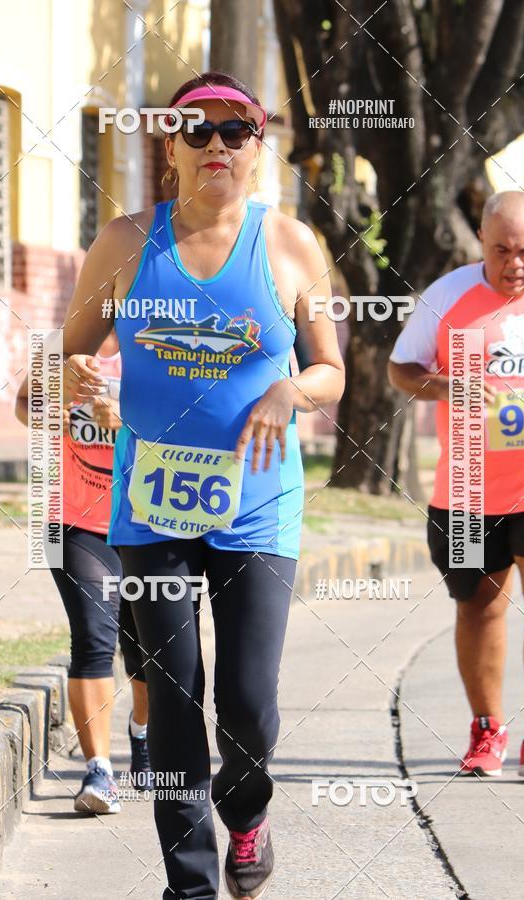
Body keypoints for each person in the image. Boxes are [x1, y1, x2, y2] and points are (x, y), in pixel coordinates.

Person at [59, 71, 344, 899]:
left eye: (235, 129)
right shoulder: (123, 242)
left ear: (258, 148)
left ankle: (246, 814)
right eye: (197, 129)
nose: (216, 143)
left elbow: (330, 369)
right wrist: (68, 376)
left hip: (258, 509)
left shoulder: (289, 245)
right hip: (149, 511)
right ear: (171, 147)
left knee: (248, 706)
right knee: (176, 699)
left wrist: (289, 390)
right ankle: (188, 884)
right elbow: (52, 369)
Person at [388, 190, 524, 779]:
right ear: (482, 243)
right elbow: (400, 368)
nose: (515, 264)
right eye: (502, 250)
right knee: (480, 607)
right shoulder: (447, 296)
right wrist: (446, 387)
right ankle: (487, 728)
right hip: (467, 485)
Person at [16, 331, 150, 814]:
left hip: (146, 520)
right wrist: (61, 390)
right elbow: (24, 410)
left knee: (149, 650)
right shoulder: (61, 345)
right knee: (93, 637)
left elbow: (189, 424)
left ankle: (142, 731)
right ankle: (99, 771)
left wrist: (124, 422)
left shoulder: (159, 342)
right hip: (69, 521)